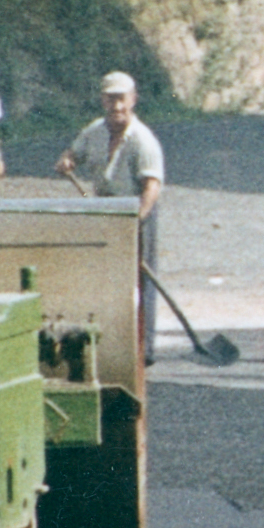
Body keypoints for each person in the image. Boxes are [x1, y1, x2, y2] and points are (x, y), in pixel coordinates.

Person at [56, 72, 166, 366]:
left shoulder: (143, 140)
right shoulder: (93, 132)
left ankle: (145, 348)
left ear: (133, 100)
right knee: (107, 278)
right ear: (103, 100)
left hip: (136, 211)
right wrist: (67, 160)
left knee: (139, 281)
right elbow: (73, 153)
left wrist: (135, 220)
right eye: (111, 99)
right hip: (104, 211)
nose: (117, 106)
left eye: (122, 99)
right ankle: (112, 343)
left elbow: (151, 187)